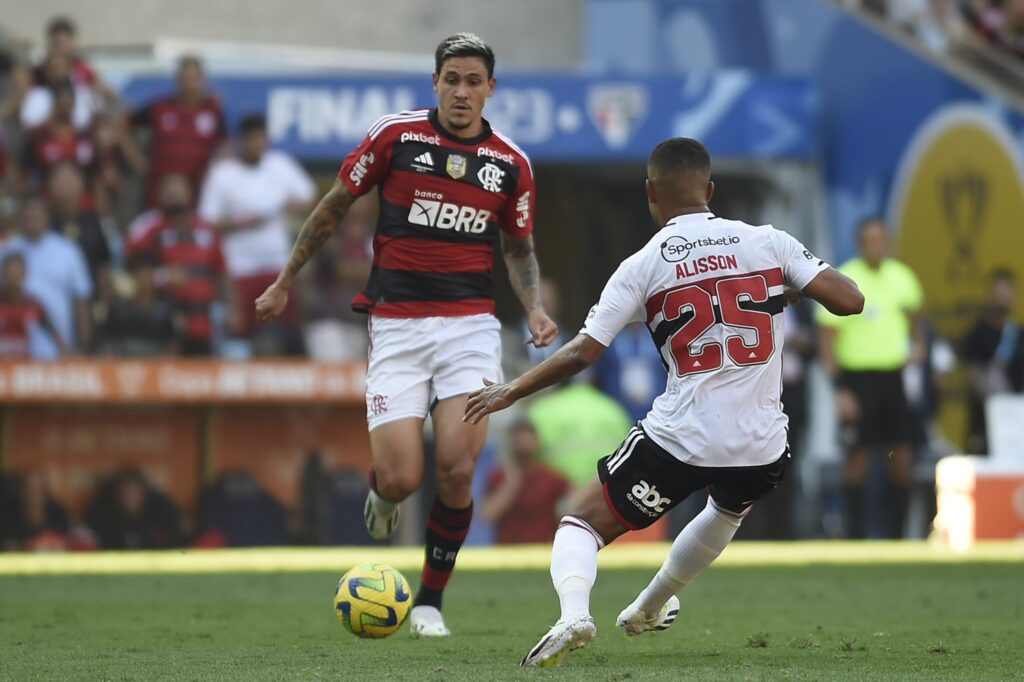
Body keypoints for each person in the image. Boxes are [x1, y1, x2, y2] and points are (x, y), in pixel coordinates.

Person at [464, 137, 863, 667]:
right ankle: (649, 606)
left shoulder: (645, 264)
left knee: (580, 523)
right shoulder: (768, 242)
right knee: (729, 507)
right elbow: (851, 300)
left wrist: (511, 391)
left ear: (650, 194)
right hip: (762, 445)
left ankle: (574, 614)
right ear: (712, 190)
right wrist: (789, 286)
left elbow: (584, 352)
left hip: (682, 437)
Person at [255, 33, 557, 637]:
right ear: (436, 83)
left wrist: (534, 306)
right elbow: (335, 205)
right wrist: (285, 279)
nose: (463, 91)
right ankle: (385, 499)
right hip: (396, 325)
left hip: (471, 328)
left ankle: (429, 602)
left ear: (490, 89)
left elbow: (517, 246)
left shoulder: (511, 164)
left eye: (474, 81)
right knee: (400, 476)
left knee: (454, 468)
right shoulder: (396, 136)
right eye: (452, 79)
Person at [817, 217, 924, 539]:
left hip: (893, 377)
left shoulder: (902, 277)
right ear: (860, 243)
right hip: (857, 379)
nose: (876, 245)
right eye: (869, 239)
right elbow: (827, 338)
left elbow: (916, 322)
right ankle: (856, 536)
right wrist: (840, 390)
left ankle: (896, 536)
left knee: (901, 454)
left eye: (881, 238)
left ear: (888, 241)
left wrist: (919, 348)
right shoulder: (847, 278)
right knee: (858, 457)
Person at [200, 113, 314, 354]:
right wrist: (244, 222)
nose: (256, 145)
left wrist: (281, 207)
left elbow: (310, 197)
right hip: (239, 267)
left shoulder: (279, 164)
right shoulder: (223, 173)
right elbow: (207, 222)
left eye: (260, 139)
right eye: (250, 139)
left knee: (286, 329)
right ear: (239, 141)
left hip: (277, 265)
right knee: (243, 331)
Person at [127, 174, 233, 355]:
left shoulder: (206, 230)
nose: (174, 193)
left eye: (179, 187)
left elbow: (221, 272)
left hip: (204, 320)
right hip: (166, 321)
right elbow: (135, 277)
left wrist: (232, 309)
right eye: (168, 188)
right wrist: (164, 277)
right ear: (159, 195)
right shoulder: (149, 230)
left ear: (190, 193)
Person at [0, 196, 92, 358]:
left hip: (58, 351)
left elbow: (81, 299)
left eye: (38, 214)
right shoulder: (7, 249)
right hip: (11, 351)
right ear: (21, 216)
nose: (33, 218)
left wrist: (84, 346)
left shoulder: (68, 251)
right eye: (29, 213)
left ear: (48, 217)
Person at [133, 56, 225, 208]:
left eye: (193, 78)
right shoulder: (160, 108)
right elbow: (122, 125)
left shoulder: (213, 110)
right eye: (185, 78)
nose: (189, 83)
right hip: (159, 194)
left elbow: (224, 147)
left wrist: (215, 172)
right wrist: (138, 162)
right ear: (177, 80)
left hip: (198, 194)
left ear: (202, 80)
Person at [963, 268, 1024, 454]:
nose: (1003, 295)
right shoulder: (977, 333)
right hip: (985, 417)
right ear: (990, 292)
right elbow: (971, 375)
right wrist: (996, 400)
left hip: (1016, 419)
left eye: (1008, 289)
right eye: (999, 289)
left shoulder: (1019, 333)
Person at [481, 419, 570, 544]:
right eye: (519, 441)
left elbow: (574, 503)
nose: (523, 445)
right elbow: (487, 515)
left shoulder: (550, 477)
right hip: (507, 553)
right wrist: (511, 483)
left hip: (542, 551)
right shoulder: (499, 476)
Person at [0, 252, 67, 357]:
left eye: (17, 274)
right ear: (4, 274)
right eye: (10, 274)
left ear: (24, 274)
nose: (13, 279)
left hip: (22, 368)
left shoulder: (34, 305)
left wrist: (67, 355)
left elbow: (56, 335)